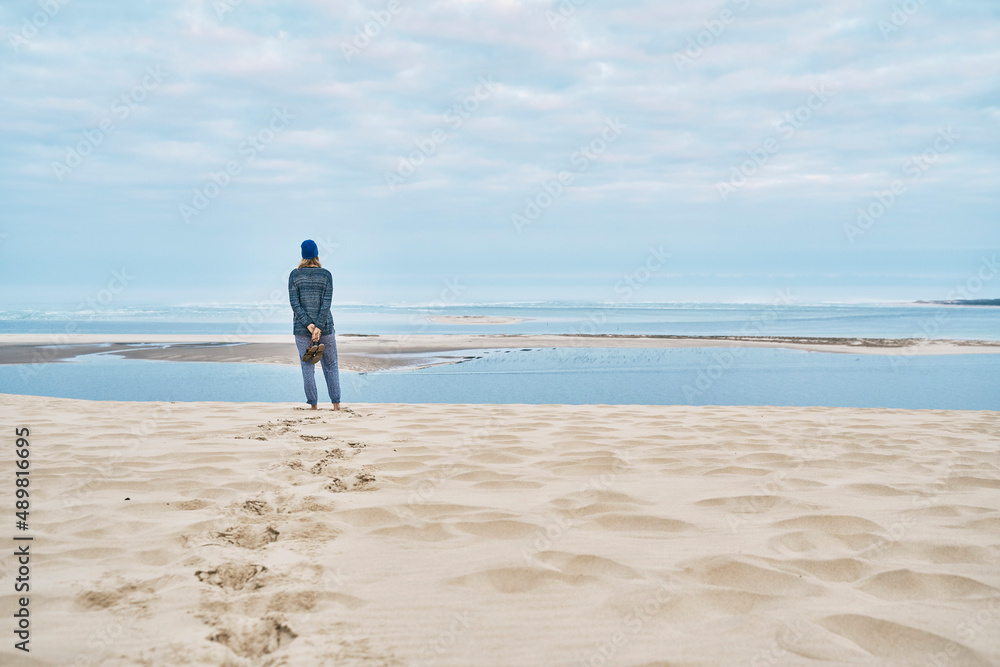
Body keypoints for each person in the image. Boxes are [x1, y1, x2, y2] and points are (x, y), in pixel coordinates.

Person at [288, 239, 341, 410]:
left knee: (307, 366)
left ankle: (313, 406)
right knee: (331, 365)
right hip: (325, 327)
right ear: (317, 254)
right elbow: (326, 304)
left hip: (301, 329)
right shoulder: (326, 275)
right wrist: (318, 327)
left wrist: (309, 325)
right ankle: (336, 405)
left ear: (302, 255)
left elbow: (295, 304)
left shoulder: (295, 275)